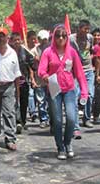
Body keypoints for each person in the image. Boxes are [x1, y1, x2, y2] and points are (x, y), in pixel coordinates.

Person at [38, 26, 89, 160]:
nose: (61, 38)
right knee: (58, 120)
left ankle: (68, 143)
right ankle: (60, 147)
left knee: (72, 118)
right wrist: (44, 75)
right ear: (53, 38)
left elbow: (79, 73)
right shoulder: (48, 52)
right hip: (54, 89)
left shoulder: (72, 52)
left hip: (69, 89)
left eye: (63, 36)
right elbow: (41, 69)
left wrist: (84, 92)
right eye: (58, 36)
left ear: (67, 38)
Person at [70, 19, 95, 135]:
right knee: (75, 96)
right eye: (84, 29)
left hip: (88, 70)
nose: (86, 32)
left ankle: (87, 118)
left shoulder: (90, 38)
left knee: (89, 94)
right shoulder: (71, 39)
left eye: (88, 29)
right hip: (74, 71)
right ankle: (75, 125)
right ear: (79, 29)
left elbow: (91, 51)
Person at [9, 31, 35, 135]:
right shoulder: (8, 52)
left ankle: (23, 121)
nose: (17, 42)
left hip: (23, 81)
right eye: (14, 40)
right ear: (11, 41)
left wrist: (36, 62)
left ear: (21, 41)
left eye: (18, 40)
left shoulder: (25, 52)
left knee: (24, 102)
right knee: (14, 102)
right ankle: (17, 121)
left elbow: (32, 65)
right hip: (11, 81)